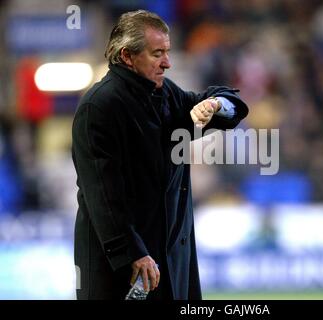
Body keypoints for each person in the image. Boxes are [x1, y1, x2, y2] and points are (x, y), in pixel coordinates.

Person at [72, 10, 248, 300]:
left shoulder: (167, 95)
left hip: (169, 266)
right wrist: (134, 254)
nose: (167, 62)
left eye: (166, 52)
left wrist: (215, 104)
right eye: (157, 54)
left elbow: (231, 105)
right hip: (125, 269)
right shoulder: (99, 107)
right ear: (128, 56)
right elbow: (103, 195)